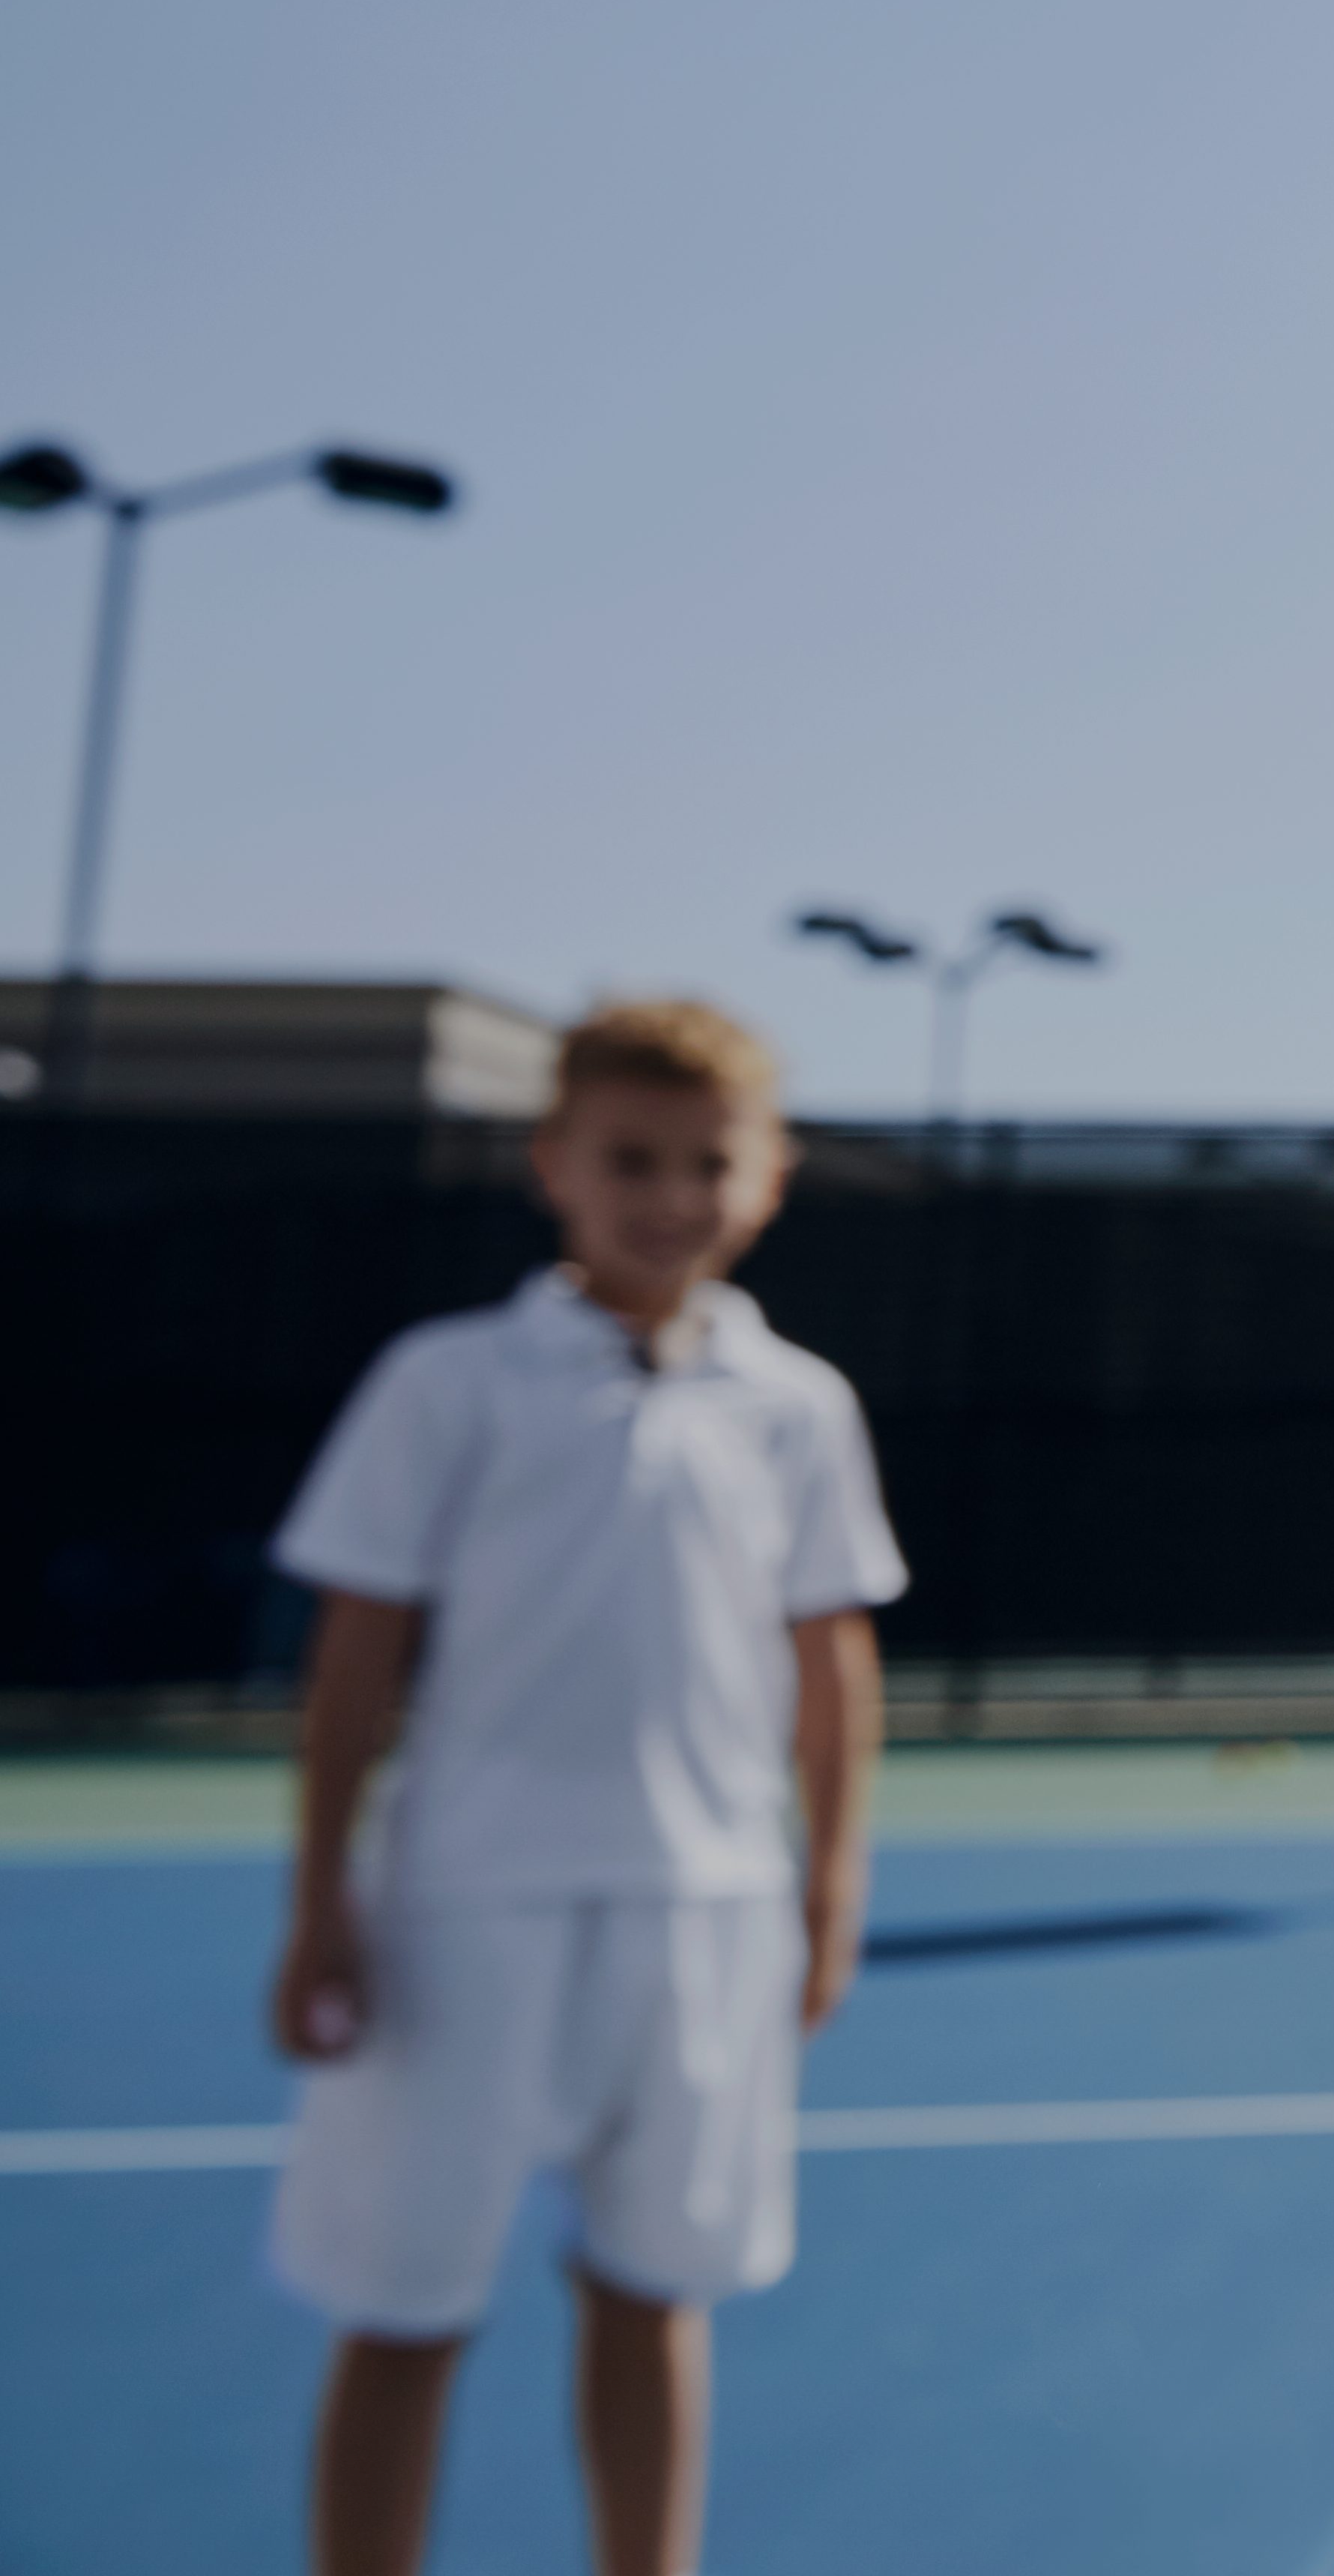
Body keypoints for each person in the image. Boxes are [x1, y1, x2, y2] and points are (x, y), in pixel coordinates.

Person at [261, 998, 905, 2576]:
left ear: (769, 1176)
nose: (670, 1194)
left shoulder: (797, 1403)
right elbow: (356, 1657)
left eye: (707, 1161)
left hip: (708, 1912)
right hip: (463, 1908)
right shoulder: (447, 1379)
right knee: (407, 2305)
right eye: (630, 1157)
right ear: (555, 1162)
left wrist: (828, 1887)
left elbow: (831, 1663)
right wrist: (319, 1904)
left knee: (653, 2283)